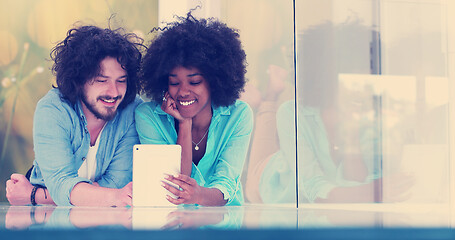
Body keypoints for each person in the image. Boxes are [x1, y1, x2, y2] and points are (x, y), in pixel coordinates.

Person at [5, 25, 143, 207]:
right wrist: (109, 196)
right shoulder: (53, 109)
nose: (114, 92)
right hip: (50, 222)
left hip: (106, 222)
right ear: (78, 79)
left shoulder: (133, 110)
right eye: (102, 80)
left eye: (121, 81)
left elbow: (117, 184)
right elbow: (62, 184)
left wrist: (34, 195)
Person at [135, 12, 253, 206]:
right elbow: (174, 184)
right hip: (171, 224)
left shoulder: (238, 115)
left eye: (195, 81)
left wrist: (198, 195)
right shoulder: (147, 116)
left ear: (214, 82)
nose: (183, 91)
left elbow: (226, 182)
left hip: (223, 223)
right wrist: (184, 124)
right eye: (174, 82)